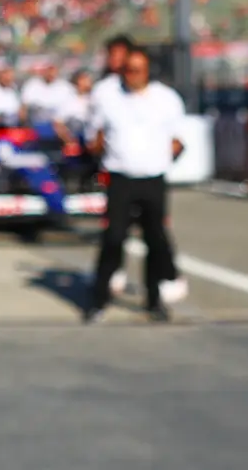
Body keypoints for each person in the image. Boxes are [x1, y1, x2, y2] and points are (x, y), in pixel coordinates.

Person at [85, 47, 187, 323]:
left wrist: (164, 157)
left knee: (154, 238)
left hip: (153, 179)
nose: (132, 76)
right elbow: (94, 135)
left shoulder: (166, 100)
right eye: (127, 70)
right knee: (114, 237)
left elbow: (178, 139)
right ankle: (98, 298)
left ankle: (154, 300)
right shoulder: (108, 97)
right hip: (120, 178)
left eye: (137, 70)